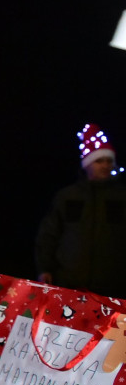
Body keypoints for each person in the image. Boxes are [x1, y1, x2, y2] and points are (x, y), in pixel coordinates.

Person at [36, 123, 126, 298]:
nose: (105, 165)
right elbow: (49, 234)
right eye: (99, 161)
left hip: (113, 286)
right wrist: (44, 268)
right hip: (69, 283)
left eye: (109, 161)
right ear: (87, 164)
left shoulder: (122, 197)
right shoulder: (67, 195)